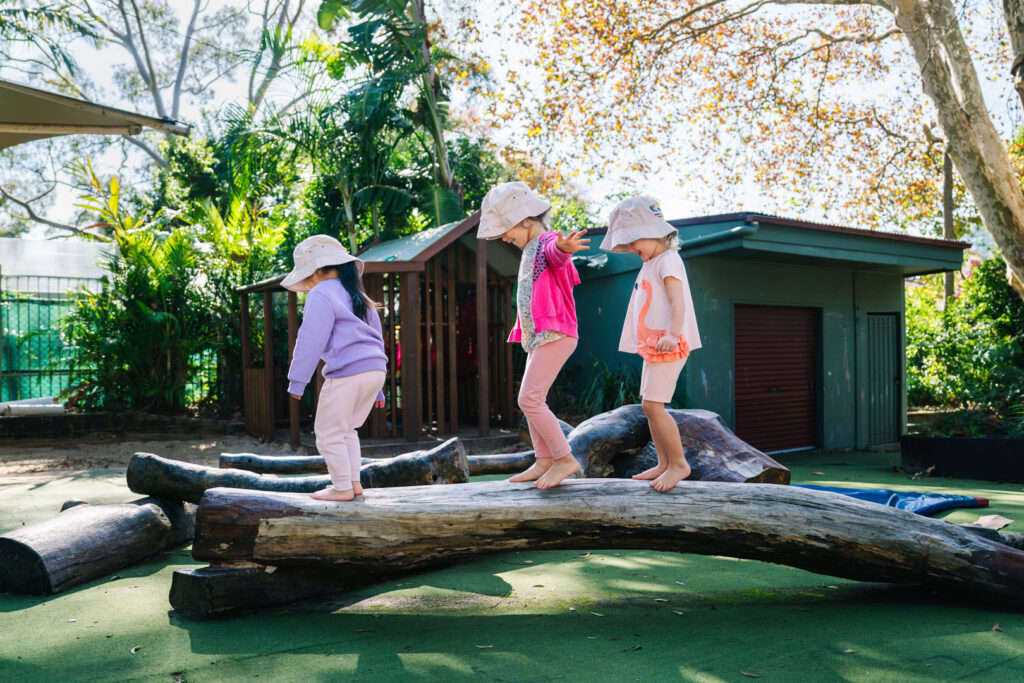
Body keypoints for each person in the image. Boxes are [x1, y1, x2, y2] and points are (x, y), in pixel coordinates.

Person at [478, 181, 590, 489]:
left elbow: (556, 254)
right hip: (542, 336)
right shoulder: (529, 248)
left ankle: (564, 459)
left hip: (556, 333)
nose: (503, 236)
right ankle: (543, 461)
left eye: (505, 229)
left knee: (529, 398)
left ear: (526, 219)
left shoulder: (546, 242)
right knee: (531, 399)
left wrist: (564, 248)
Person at [601, 196, 702, 492]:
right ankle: (662, 462)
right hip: (655, 346)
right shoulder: (652, 262)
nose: (632, 250)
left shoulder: (668, 260)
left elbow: (676, 300)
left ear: (654, 232)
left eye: (633, 242)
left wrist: (672, 333)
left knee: (655, 406)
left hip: (670, 344)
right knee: (649, 405)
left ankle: (679, 464)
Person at [283, 235, 387, 501]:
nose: (306, 285)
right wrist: (378, 390)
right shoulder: (360, 296)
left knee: (328, 434)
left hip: (347, 374)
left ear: (317, 271)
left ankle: (341, 487)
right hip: (375, 371)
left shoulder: (321, 293)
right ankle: (353, 483)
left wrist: (298, 380)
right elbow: (376, 336)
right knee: (347, 430)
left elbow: (310, 339)